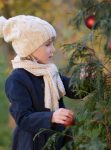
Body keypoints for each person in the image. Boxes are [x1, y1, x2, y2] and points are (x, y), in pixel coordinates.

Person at [0, 15, 80, 150]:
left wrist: (89, 79)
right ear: (29, 48)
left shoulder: (50, 72)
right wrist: (52, 117)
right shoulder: (17, 79)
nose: (53, 49)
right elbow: (23, 118)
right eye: (47, 45)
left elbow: (74, 89)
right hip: (32, 144)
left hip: (58, 140)